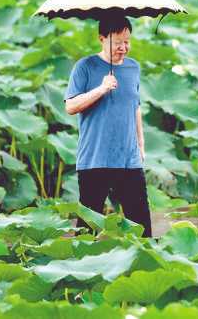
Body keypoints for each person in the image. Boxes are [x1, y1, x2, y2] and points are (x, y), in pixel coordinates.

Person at [64, 15, 152, 237]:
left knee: (141, 227)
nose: (123, 48)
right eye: (117, 42)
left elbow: (135, 106)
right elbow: (71, 106)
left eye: (127, 41)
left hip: (128, 158)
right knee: (87, 230)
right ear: (102, 39)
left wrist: (141, 144)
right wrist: (101, 89)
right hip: (95, 159)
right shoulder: (84, 67)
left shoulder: (133, 68)